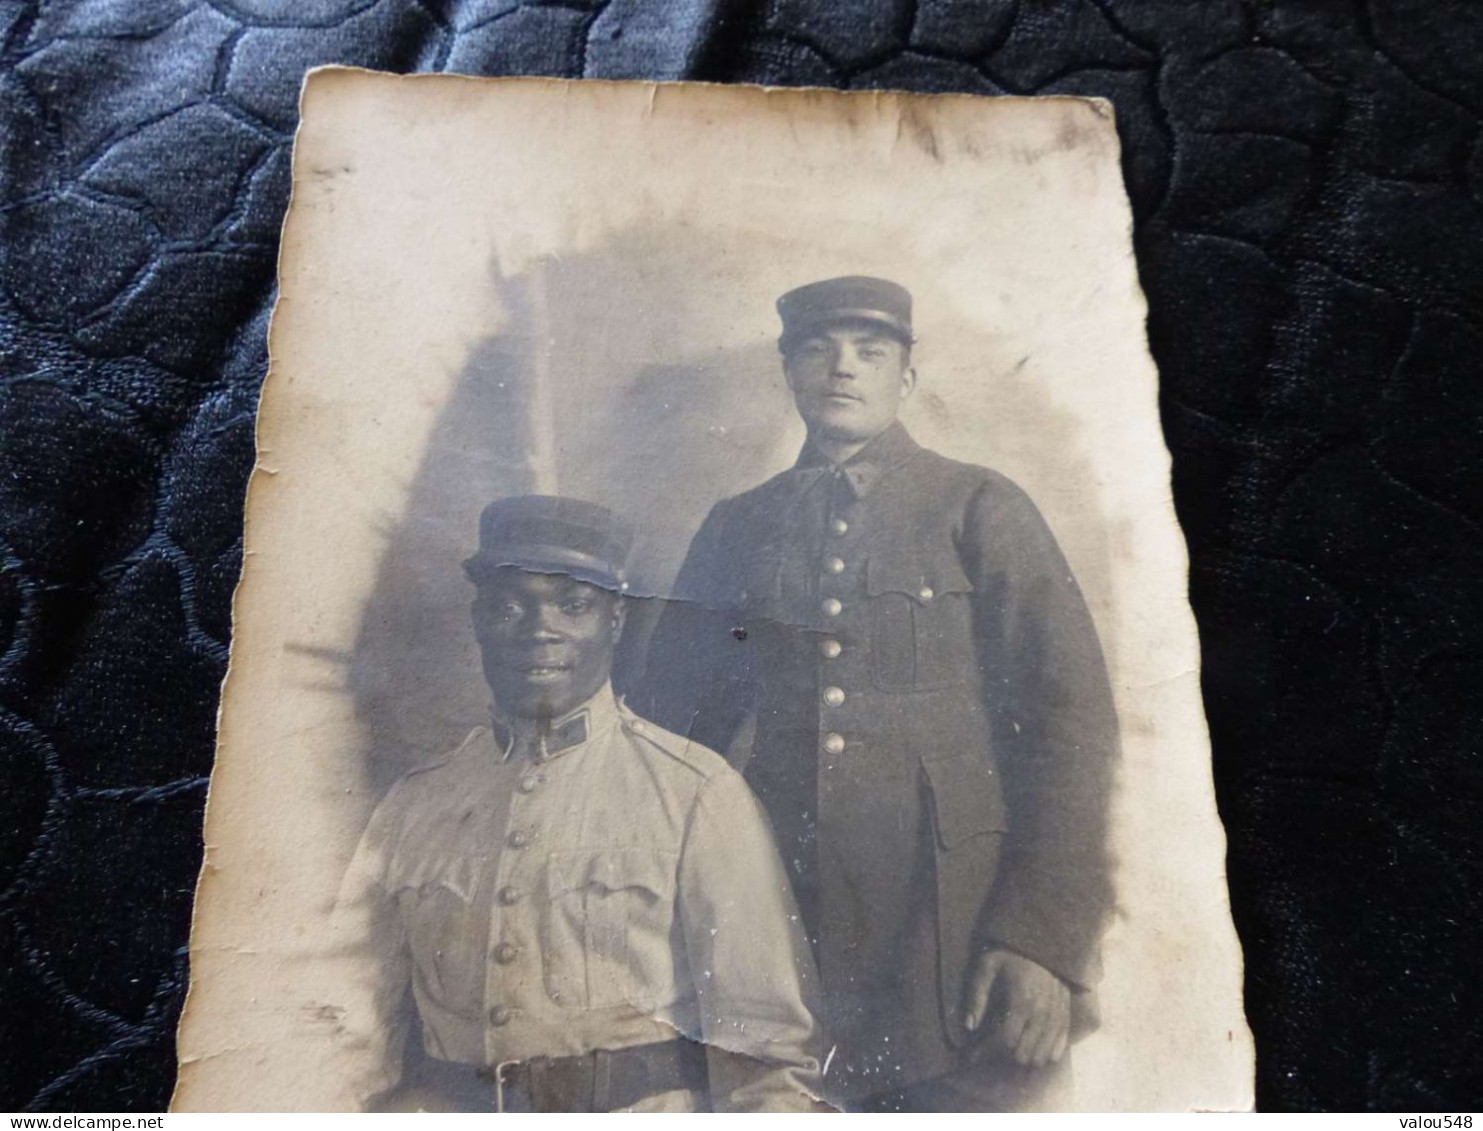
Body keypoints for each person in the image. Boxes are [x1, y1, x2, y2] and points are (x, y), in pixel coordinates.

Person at [639, 276, 1120, 1111]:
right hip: (780, 913)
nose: (842, 368)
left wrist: (1041, 938)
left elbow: (1071, 725)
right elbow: (668, 735)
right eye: (818, 349)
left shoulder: (977, 503)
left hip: (954, 924)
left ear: (906, 374)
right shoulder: (737, 525)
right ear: (786, 372)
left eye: (870, 351)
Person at [331, 495, 826, 1112]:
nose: (542, 629)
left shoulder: (695, 794)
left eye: (573, 605)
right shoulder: (415, 805)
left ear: (615, 621)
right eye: (511, 606)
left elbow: (766, 1060)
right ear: (479, 620)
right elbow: (342, 1033)